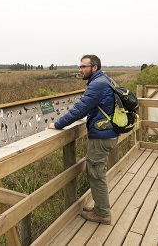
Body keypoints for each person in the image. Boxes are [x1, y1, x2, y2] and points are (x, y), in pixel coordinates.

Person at [48, 54, 118, 225]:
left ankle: (102, 214)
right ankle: (100, 207)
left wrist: (58, 124)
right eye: (79, 67)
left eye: (83, 67)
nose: (80, 70)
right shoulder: (105, 80)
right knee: (97, 171)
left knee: (96, 173)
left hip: (102, 136)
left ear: (94, 68)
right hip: (110, 132)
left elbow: (79, 110)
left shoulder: (97, 85)